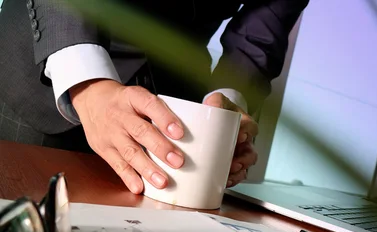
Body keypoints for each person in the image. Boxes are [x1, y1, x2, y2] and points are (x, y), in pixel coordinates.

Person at [0, 0, 309, 193]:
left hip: (172, 107)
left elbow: (263, 27)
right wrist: (88, 83)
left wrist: (230, 103)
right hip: (46, 74)